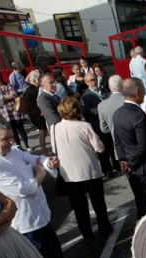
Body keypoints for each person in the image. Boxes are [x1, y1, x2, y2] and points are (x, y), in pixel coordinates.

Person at [0, 120, 81, 258]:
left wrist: (48, 163)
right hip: (25, 221)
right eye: (5, 139)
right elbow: (24, 189)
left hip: (40, 212)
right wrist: (40, 173)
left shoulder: (14, 152)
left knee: (54, 248)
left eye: (11, 137)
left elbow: (36, 158)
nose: (11, 141)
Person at [51, 97, 111, 241]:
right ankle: (105, 229)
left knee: (79, 208)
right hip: (89, 170)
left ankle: (87, 234)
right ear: (77, 110)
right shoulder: (84, 126)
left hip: (69, 174)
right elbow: (99, 147)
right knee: (98, 203)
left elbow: (54, 148)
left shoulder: (54, 128)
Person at [113, 77, 146, 220]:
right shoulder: (138, 116)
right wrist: (130, 162)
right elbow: (143, 146)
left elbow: (117, 140)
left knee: (141, 203)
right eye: (143, 91)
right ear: (137, 93)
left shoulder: (118, 113)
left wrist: (123, 161)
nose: (144, 94)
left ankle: (141, 232)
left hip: (132, 170)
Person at [81, 73, 113, 177]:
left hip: (111, 123)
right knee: (103, 150)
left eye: (94, 79)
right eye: (90, 81)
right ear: (86, 83)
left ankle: (117, 165)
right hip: (98, 125)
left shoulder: (105, 91)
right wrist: (104, 110)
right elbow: (89, 111)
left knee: (113, 146)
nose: (93, 82)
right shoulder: (85, 97)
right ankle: (107, 170)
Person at [0, 71, 30, 151]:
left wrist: (2, 97)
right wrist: (6, 97)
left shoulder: (8, 85)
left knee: (21, 128)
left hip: (14, 109)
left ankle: (27, 145)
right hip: (5, 112)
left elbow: (14, 95)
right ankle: (19, 147)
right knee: (13, 130)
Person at [97, 75, 124, 174]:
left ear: (109, 86)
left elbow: (104, 129)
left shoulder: (102, 105)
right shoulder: (130, 99)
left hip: (119, 147)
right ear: (122, 85)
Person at [22, 70, 49, 155]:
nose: (39, 82)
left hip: (32, 113)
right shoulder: (35, 89)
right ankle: (44, 151)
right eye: (38, 80)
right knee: (43, 131)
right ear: (34, 80)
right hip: (38, 112)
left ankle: (45, 151)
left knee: (43, 131)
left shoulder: (27, 89)